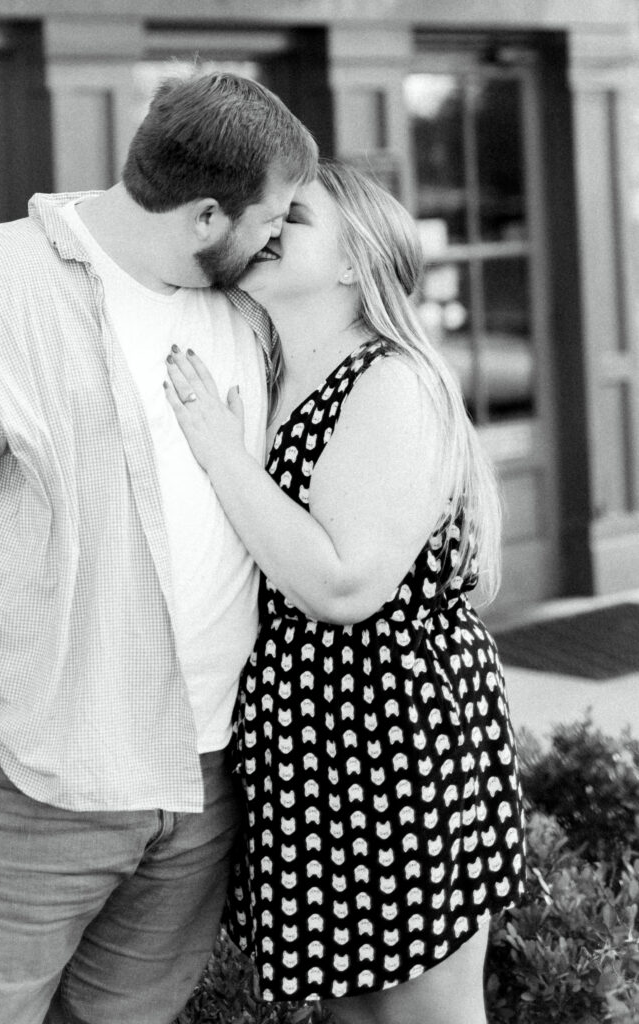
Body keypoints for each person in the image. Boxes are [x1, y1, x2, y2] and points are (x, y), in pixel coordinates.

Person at [0, 70, 317, 1024]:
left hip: (210, 776)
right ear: (206, 215)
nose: (281, 234)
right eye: (272, 215)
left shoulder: (251, 302)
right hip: (39, 774)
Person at [164, 158, 526, 1024]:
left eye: (301, 218)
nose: (272, 228)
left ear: (359, 261)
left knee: (422, 1016)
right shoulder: (271, 369)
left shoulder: (388, 381)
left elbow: (342, 584)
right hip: (309, 746)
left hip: (396, 740)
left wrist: (218, 448)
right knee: (352, 1014)